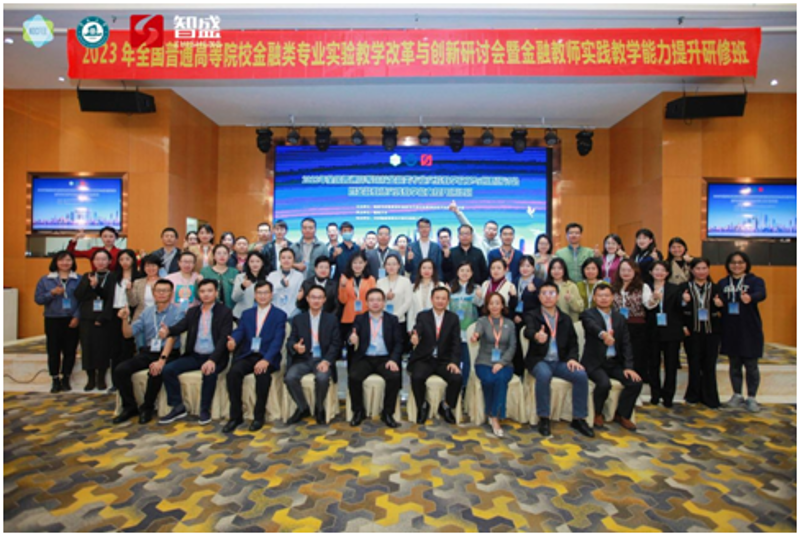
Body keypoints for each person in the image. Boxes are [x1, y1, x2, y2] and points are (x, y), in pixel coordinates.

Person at [157, 279, 234, 425]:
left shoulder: (225, 312)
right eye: (203, 291)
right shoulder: (193, 312)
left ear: (216, 293)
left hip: (215, 357)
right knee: (168, 370)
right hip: (194, 356)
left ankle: (204, 409)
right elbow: (181, 326)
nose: (206, 294)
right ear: (198, 293)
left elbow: (223, 339)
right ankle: (178, 406)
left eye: (210, 291)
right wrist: (168, 331)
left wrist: (212, 360)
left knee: (209, 372)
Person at [524, 281, 593, 438]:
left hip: (561, 361)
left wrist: (573, 359)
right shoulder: (532, 315)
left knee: (581, 375)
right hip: (539, 360)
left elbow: (573, 343)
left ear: (558, 296)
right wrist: (536, 335)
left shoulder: (565, 319)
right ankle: (544, 418)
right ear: (539, 297)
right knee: (544, 375)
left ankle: (579, 418)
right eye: (544, 293)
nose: (548, 297)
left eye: (552, 293)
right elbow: (528, 331)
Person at [112, 279, 185, 424]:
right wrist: (125, 319)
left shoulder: (178, 312)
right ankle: (130, 407)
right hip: (148, 351)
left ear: (171, 293)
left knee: (155, 371)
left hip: (169, 353)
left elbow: (172, 338)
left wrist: (161, 360)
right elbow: (128, 334)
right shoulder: (147, 312)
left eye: (166, 291)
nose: (162, 293)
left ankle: (147, 407)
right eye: (159, 290)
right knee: (120, 370)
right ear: (153, 293)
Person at [224, 280, 288, 432]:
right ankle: (236, 416)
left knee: (262, 375)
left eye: (266, 293)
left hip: (268, 356)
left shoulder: (279, 315)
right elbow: (240, 331)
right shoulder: (247, 314)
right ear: (255, 295)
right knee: (233, 373)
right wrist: (233, 341)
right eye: (259, 293)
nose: (262, 296)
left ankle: (258, 417)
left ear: (271, 295)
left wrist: (266, 360)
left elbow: (277, 341)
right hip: (249, 354)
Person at [580, 284, 643, 431]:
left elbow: (626, 344)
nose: (603, 299)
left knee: (635, 382)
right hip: (595, 363)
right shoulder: (588, 314)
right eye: (600, 296)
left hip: (614, 362)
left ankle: (622, 415)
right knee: (604, 384)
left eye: (607, 295)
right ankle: (597, 413)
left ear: (612, 297)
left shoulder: (619, 318)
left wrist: (628, 367)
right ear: (594, 298)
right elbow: (592, 326)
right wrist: (604, 335)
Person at [285, 285, 342, 425]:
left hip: (322, 359)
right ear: (307, 299)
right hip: (303, 359)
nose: (316, 300)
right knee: (290, 377)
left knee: (322, 378)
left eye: (319, 298)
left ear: (324, 300)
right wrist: (295, 346)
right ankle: (302, 407)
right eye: (313, 297)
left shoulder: (332, 319)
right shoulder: (298, 319)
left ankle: (319, 408)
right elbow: (291, 340)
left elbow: (336, 344)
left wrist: (326, 361)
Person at [347, 288, 403, 428]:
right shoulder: (360, 319)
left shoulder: (392, 320)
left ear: (384, 302)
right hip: (365, 358)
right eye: (371, 300)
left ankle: (388, 413)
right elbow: (351, 336)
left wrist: (393, 359)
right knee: (354, 376)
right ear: (366, 303)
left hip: (385, 358)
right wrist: (351, 339)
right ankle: (358, 411)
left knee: (394, 376)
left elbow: (399, 343)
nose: (375, 303)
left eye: (379, 300)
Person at [718, 251, 767, 412]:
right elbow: (719, 299)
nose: (736, 265)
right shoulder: (723, 282)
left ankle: (752, 397)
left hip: (749, 329)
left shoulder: (755, 281)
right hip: (730, 329)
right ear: (728, 265)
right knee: (734, 364)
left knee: (751, 365)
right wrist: (718, 302)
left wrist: (751, 298)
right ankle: (737, 395)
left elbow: (762, 294)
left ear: (746, 264)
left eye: (740, 262)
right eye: (733, 262)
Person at [409, 287, 462, 425]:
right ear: (432, 299)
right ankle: (422, 405)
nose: (440, 301)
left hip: (444, 360)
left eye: (443, 298)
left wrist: (454, 362)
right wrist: (415, 336)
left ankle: (446, 406)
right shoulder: (423, 316)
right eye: (437, 298)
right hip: (425, 359)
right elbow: (418, 328)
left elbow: (456, 342)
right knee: (417, 377)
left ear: (448, 301)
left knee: (456, 378)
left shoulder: (453, 318)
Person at [469, 292, 516, 436]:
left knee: (501, 379)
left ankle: (494, 416)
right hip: (484, 361)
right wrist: (476, 336)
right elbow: (478, 332)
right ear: (487, 306)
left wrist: (501, 363)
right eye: (491, 303)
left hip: (505, 363)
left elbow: (512, 346)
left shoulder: (509, 324)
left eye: (497, 303)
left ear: (502, 305)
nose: (494, 306)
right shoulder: (482, 321)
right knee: (489, 379)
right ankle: (492, 413)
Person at [34, 251, 81, 393]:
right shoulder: (45, 280)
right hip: (53, 319)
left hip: (72, 319)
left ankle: (66, 378)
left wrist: (77, 316)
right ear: (56, 262)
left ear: (73, 262)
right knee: (53, 350)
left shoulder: (78, 279)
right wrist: (52, 293)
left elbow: (84, 301)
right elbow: (38, 299)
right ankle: (55, 379)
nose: (65, 263)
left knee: (70, 350)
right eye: (61, 260)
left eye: (68, 260)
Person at [681, 258, 723, 409]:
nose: (701, 271)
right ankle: (693, 395)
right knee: (694, 363)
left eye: (704, 268)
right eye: (698, 268)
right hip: (692, 331)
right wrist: (683, 302)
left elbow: (724, 309)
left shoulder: (716, 288)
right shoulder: (684, 288)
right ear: (692, 270)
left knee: (709, 365)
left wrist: (720, 305)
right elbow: (677, 309)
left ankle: (710, 397)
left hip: (712, 332)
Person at [74, 249, 119, 391]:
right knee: (87, 348)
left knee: (102, 348)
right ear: (93, 261)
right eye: (97, 259)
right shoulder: (86, 276)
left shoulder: (113, 277)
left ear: (109, 261)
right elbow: (78, 295)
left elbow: (110, 298)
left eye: (104, 259)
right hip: (87, 318)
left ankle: (101, 378)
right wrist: (89, 284)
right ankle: (90, 378)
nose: (100, 262)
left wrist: (96, 287)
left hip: (105, 318)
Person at [643, 261, 684, 407]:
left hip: (671, 331)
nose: (659, 273)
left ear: (667, 273)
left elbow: (680, 309)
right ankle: (655, 394)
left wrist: (685, 302)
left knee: (670, 365)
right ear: (651, 272)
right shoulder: (646, 288)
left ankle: (668, 396)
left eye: (663, 270)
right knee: (653, 364)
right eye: (656, 269)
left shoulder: (675, 288)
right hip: (652, 330)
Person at [611, 259, 651, 384]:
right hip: (618, 325)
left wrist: (655, 298)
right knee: (619, 354)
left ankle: (636, 383)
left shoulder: (643, 287)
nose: (626, 273)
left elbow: (649, 305)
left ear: (635, 271)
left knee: (636, 355)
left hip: (636, 326)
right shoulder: (613, 286)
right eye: (623, 270)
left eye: (629, 270)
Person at [448, 261, 484, 392]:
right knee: (454, 358)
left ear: (472, 273)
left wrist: (480, 296)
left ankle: (465, 387)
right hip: (453, 330)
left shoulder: (476, 288)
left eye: (468, 271)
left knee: (468, 360)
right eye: (462, 270)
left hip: (469, 329)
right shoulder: (450, 287)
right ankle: (454, 385)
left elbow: (480, 305)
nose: (464, 273)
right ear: (457, 272)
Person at [109, 249, 141, 392]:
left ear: (133, 260)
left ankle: (126, 380)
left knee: (128, 348)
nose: (124, 262)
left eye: (127, 259)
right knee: (115, 349)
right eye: (121, 259)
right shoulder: (113, 276)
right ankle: (115, 382)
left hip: (131, 313)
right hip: (115, 313)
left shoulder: (139, 277)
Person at [511, 255, 545, 376]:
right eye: (522, 266)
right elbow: (512, 303)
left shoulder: (538, 282)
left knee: (530, 346)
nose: (525, 269)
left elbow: (542, 302)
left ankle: (530, 370)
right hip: (517, 318)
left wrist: (535, 292)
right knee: (517, 346)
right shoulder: (515, 281)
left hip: (532, 319)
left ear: (533, 268)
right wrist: (514, 315)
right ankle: (518, 372)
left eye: (528, 266)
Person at [407, 258, 448, 336]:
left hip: (436, 323)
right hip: (418, 323)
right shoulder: (413, 287)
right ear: (419, 270)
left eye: (429, 268)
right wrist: (410, 327)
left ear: (433, 270)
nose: (426, 270)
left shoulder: (440, 285)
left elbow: (445, 307)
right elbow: (411, 308)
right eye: (424, 268)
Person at [375, 254, 414, 336]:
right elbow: (377, 300)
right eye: (388, 264)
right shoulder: (380, 282)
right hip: (383, 320)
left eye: (394, 264)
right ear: (385, 266)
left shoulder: (405, 281)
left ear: (399, 266)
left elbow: (408, 302)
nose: (391, 267)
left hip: (400, 319)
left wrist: (396, 315)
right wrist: (385, 297)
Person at [267, 248, 305, 318]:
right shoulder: (272, 275)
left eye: (289, 258)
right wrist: (280, 285)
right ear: (279, 259)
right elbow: (268, 294)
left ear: (294, 260)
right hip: (275, 313)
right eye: (283, 258)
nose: (286, 260)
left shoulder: (299, 276)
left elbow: (300, 296)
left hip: (293, 314)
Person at [231, 251, 268, 320]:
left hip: (262, 316)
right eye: (252, 261)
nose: (255, 264)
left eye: (258, 261)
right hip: (241, 315)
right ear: (248, 263)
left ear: (262, 263)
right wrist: (242, 287)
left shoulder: (268, 279)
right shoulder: (240, 277)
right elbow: (235, 298)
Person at [201, 244, 239, 310]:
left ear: (229, 256)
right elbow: (198, 293)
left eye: (225, 253)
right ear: (214, 256)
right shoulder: (205, 271)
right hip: (210, 309)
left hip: (230, 310)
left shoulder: (235, 272)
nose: (222, 256)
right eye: (218, 253)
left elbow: (238, 294)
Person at [546, 257, 583, 323]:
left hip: (569, 323)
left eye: (560, 268)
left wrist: (571, 300)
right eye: (553, 268)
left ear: (564, 270)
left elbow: (580, 308)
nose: (556, 271)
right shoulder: (545, 287)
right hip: (550, 323)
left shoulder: (571, 286)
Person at [127, 255, 162, 325]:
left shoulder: (165, 282)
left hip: (159, 318)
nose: (150, 268)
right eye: (147, 266)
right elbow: (133, 303)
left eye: (153, 265)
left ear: (159, 267)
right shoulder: (138, 282)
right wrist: (129, 291)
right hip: (140, 318)